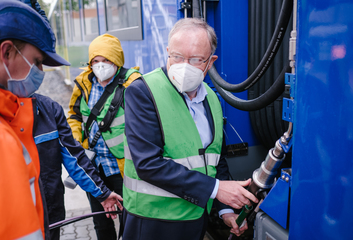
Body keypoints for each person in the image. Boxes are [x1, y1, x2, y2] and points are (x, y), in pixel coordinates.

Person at [122, 18, 259, 240]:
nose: (183, 66)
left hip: (195, 220)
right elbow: (147, 164)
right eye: (176, 57)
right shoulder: (143, 92)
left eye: (195, 59)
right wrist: (217, 189)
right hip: (152, 222)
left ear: (210, 62)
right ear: (167, 51)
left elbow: (215, 159)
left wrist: (224, 209)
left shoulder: (212, 99)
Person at [0, 1, 123, 239]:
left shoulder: (48, 111)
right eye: (36, 62)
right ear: (6, 52)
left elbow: (75, 158)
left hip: (50, 222)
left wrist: (102, 193)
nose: (40, 73)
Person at [67, 33, 141, 240]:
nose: (101, 66)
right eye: (96, 61)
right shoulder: (84, 83)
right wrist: (75, 140)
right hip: (94, 166)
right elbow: (74, 115)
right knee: (101, 221)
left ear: (116, 60)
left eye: (106, 60)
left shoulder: (132, 84)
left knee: (129, 221)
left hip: (123, 167)